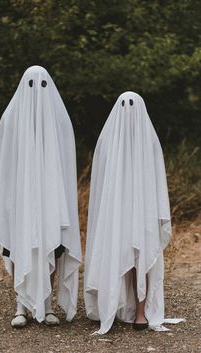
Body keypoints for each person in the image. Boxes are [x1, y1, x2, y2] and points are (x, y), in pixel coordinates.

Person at [0, 65, 82, 328]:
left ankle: (46, 305)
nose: (37, 91)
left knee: (51, 246)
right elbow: (3, 161)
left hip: (50, 197)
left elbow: (66, 161)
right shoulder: (11, 117)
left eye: (43, 85)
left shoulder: (59, 119)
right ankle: (21, 305)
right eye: (31, 84)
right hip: (18, 197)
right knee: (17, 245)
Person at [84, 91, 172, 334]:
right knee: (116, 253)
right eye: (124, 105)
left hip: (142, 210)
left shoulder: (150, 142)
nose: (128, 110)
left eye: (133, 105)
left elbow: (156, 182)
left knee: (141, 257)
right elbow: (101, 183)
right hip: (115, 212)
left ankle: (141, 312)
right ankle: (112, 305)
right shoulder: (106, 141)